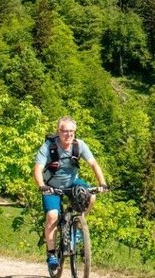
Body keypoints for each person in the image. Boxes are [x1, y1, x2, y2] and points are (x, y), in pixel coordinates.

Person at [33, 116, 108, 273]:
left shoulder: (79, 145)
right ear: (58, 131)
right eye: (64, 131)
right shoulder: (48, 147)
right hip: (51, 186)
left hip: (72, 183)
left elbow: (93, 163)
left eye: (71, 131)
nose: (68, 134)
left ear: (75, 132)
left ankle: (79, 224)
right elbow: (38, 169)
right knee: (52, 216)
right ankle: (52, 254)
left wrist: (102, 184)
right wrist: (41, 186)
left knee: (91, 196)